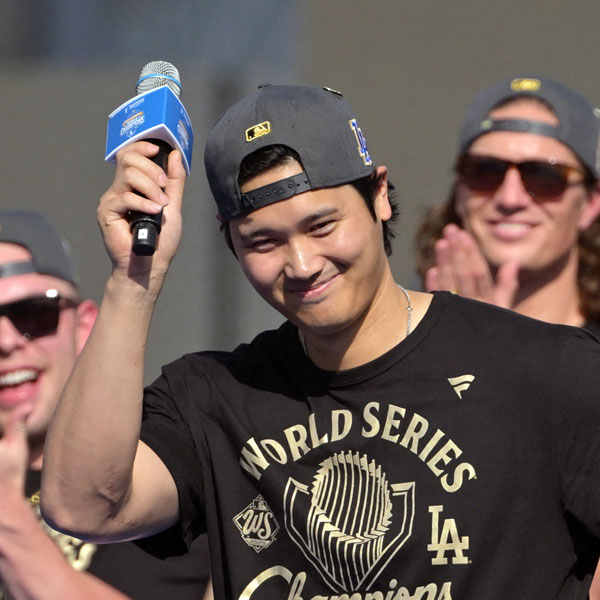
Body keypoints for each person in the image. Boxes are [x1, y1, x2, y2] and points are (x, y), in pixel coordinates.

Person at [40, 84, 600, 599]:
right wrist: (133, 278)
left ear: (379, 195)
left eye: (322, 226)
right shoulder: (213, 398)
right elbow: (83, 506)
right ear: (230, 242)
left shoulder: (546, 371)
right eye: (263, 241)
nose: (303, 264)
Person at [0, 210, 210, 599]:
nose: (6, 341)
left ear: (84, 327)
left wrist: (8, 523)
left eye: (33, 313)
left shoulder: (156, 467)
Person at [415, 76, 600, 337]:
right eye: (485, 171)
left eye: (544, 176)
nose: (510, 199)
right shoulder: (397, 335)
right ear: (459, 190)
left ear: (591, 203)